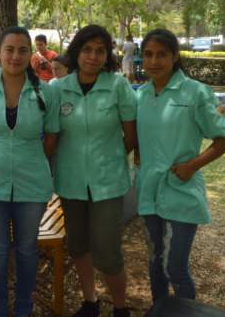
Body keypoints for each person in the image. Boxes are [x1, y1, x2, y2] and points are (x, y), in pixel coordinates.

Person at [0, 26, 59, 317]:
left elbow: (52, 137)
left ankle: (24, 308)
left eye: (22, 50)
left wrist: (31, 159)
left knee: (28, 249)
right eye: (10, 49)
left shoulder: (45, 93)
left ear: (31, 54)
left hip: (33, 184)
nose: (15, 56)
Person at [135, 28, 225, 305]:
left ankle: (185, 311)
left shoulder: (195, 92)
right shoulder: (141, 95)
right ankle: (159, 310)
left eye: (161, 55)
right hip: (149, 190)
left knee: (175, 267)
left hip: (181, 190)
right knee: (155, 264)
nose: (154, 61)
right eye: (148, 54)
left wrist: (193, 166)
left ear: (174, 57)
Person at [52, 25, 137, 317]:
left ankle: (121, 307)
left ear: (107, 54)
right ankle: (90, 301)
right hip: (70, 181)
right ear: (76, 52)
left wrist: (108, 159)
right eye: (87, 49)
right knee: (77, 245)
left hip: (108, 182)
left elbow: (131, 135)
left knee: (107, 251)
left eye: (100, 50)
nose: (93, 56)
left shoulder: (118, 86)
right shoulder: (58, 89)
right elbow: (52, 135)